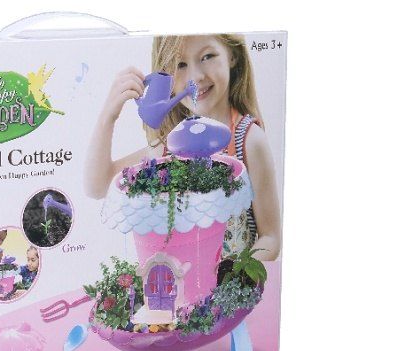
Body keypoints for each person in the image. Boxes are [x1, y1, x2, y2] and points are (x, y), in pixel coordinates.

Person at [84, 34, 281, 261]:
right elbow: (97, 186)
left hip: (230, 281)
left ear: (233, 56)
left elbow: (271, 238)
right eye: (180, 64)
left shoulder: (247, 140)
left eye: (207, 56)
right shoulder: (170, 146)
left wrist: (236, 273)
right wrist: (108, 116)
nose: (195, 77)